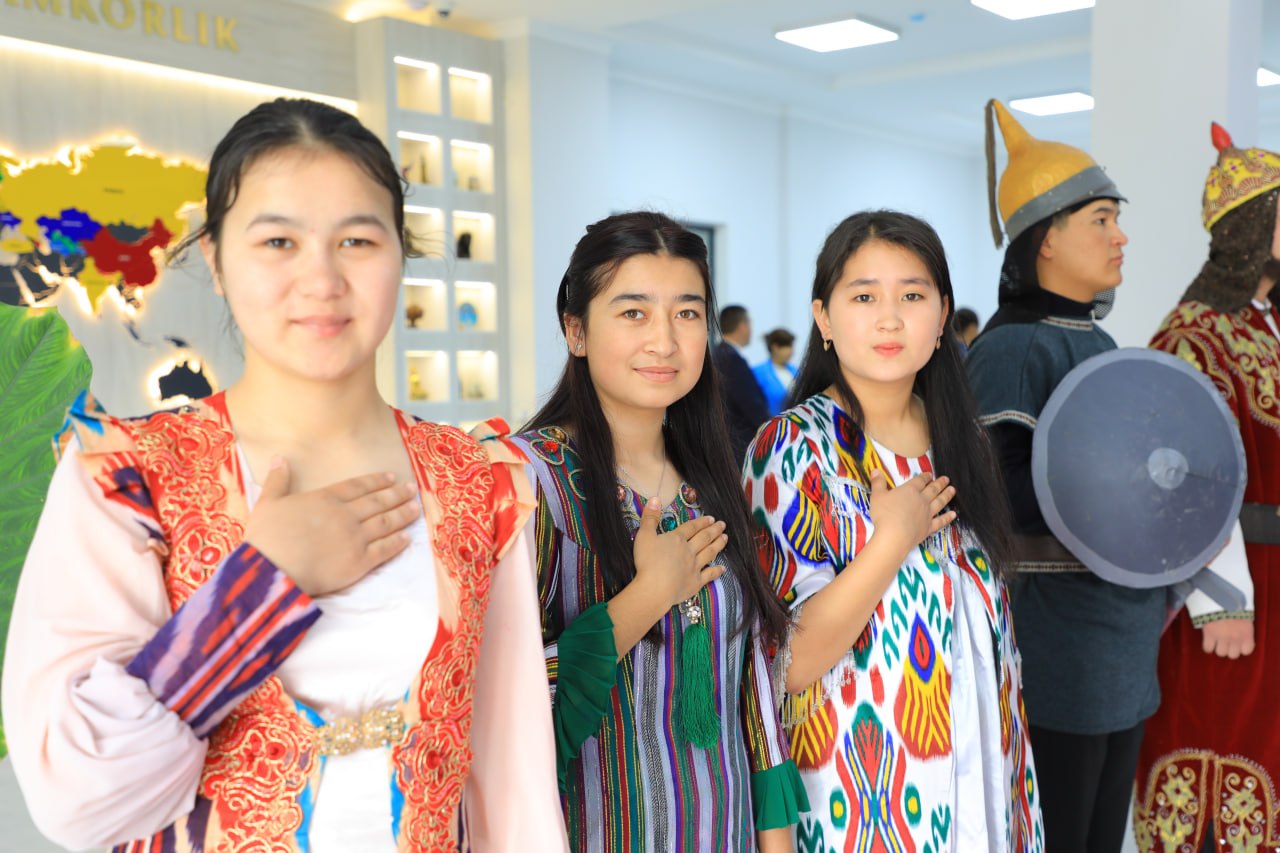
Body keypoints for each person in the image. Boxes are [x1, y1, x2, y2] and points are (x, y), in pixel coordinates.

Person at [0, 99, 566, 852]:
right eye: (278, 241)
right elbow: (77, 799)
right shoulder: (128, 477)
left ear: (400, 254)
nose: (321, 279)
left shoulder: (477, 480)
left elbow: (512, 778)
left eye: (357, 240)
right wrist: (262, 584)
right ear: (215, 259)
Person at [508, 211, 807, 852]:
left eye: (687, 313)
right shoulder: (527, 485)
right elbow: (501, 706)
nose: (665, 342)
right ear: (576, 330)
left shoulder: (714, 480)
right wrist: (649, 595)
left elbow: (752, 695)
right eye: (634, 313)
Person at [746, 209, 1043, 852]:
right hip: (860, 804)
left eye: (912, 296)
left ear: (942, 318)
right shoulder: (794, 447)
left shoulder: (962, 443)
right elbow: (786, 662)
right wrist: (890, 541)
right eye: (863, 297)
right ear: (824, 319)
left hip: (985, 787)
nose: (889, 318)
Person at [965, 99, 1159, 853]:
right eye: (1101, 219)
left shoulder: (1098, 340)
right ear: (1046, 239)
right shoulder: (1013, 348)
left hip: (1119, 635)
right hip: (1057, 639)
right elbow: (1001, 492)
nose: (1120, 236)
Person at [1133, 124, 1277, 852]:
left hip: (1275, 583)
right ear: (1253, 226)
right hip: (1228, 596)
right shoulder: (1192, 336)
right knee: (1218, 749)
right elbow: (1180, 475)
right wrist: (1221, 599)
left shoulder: (1264, 326)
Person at [713, 304, 770, 463]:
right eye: (749, 323)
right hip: (739, 446)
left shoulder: (718, 354)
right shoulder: (732, 360)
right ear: (742, 326)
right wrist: (772, 431)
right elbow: (750, 404)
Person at [753, 327, 799, 416]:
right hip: (769, 422)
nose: (791, 351)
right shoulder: (758, 373)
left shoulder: (796, 371)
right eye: (788, 346)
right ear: (775, 347)